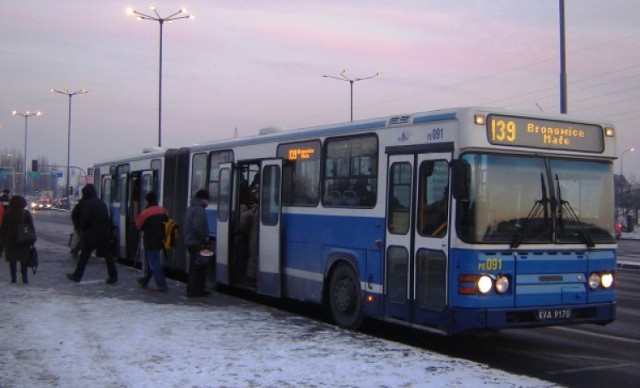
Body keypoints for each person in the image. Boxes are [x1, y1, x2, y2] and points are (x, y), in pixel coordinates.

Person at [66, 184, 118, 284]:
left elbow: (84, 221)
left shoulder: (88, 204)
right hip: (103, 234)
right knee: (108, 256)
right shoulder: (101, 203)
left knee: (84, 256)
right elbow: (107, 219)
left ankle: (77, 276)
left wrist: (82, 230)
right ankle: (113, 276)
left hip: (91, 235)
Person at [134, 191, 169, 291]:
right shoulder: (163, 210)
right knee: (153, 260)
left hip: (150, 240)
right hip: (161, 240)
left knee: (154, 261)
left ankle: (161, 284)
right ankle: (145, 280)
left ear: (147, 200)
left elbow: (138, 226)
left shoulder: (146, 212)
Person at [0, 195, 34, 283]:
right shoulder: (25, 213)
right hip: (23, 239)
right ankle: (24, 277)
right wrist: (32, 239)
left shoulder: (7, 213)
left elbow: (3, 228)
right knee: (23, 259)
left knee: (12, 260)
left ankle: (13, 278)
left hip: (10, 240)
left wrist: (2, 242)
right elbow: (31, 227)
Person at [184, 189, 210, 297]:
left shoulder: (191, 208)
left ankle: (193, 289)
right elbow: (198, 226)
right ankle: (195, 290)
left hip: (190, 241)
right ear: (203, 199)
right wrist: (205, 238)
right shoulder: (199, 209)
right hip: (197, 242)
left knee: (194, 266)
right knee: (198, 267)